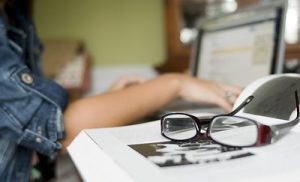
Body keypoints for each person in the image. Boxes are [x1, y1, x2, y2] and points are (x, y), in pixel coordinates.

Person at [0, 0, 240, 181]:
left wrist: (112, 101)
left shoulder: (15, 13)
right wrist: (176, 84)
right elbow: (57, 131)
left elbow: (34, 120)